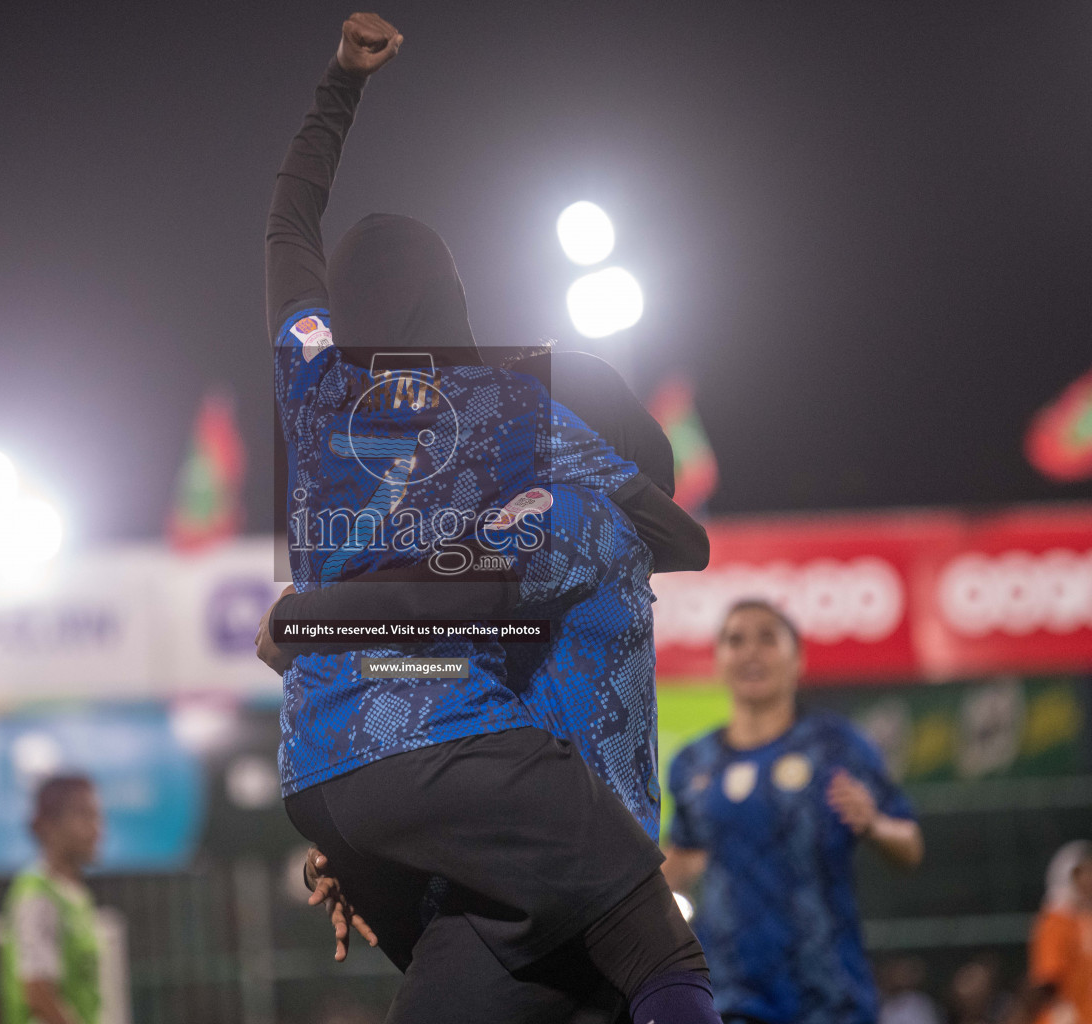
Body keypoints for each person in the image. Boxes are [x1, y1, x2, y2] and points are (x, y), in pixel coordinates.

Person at [265, 14, 715, 1024]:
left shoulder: (337, 397)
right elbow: (456, 610)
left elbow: (287, 227)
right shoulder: (530, 456)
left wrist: (317, 644)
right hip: (524, 835)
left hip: (531, 841)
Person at [663, 598, 924, 1024]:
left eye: (768, 638)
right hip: (730, 994)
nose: (750, 652)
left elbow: (910, 846)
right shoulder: (694, 763)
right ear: (717, 660)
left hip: (830, 994)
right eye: (735, 640)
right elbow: (686, 855)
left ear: (798, 659)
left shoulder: (837, 746)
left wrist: (875, 823)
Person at [0, 775, 104, 1024]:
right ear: (48, 826)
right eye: (84, 815)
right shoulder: (35, 892)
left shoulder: (77, 896)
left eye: (97, 817)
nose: (96, 829)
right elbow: (37, 990)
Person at [1023, 841, 1092, 1024]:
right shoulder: (1055, 921)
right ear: (1070, 876)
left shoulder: (1090, 918)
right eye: (1089, 872)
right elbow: (1047, 979)